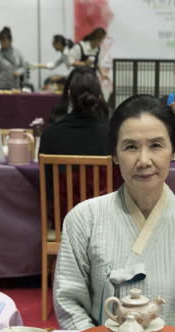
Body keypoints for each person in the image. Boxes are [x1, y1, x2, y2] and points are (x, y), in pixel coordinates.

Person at [53, 95, 175, 331]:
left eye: (156, 145)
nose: (144, 160)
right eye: (130, 147)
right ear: (115, 154)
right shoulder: (83, 219)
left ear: (173, 151)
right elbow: (68, 300)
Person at [39, 68, 116, 226]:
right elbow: (118, 186)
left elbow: (46, 190)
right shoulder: (111, 136)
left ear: (69, 96)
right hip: (102, 222)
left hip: (63, 222)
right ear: (99, 98)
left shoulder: (49, 135)